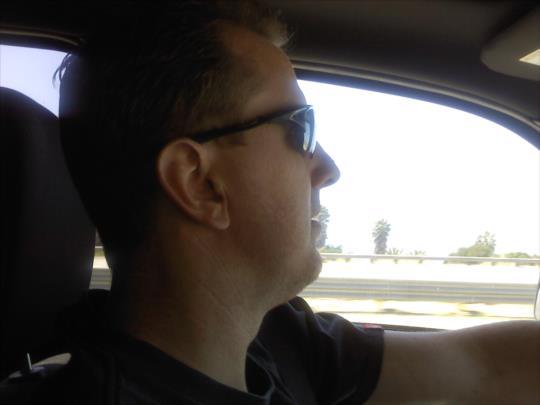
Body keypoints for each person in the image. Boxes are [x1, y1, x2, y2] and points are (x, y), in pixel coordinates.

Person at [33, 1, 540, 403]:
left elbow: (484, 369)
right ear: (199, 183)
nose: (328, 168)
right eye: (301, 130)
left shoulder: (277, 339)